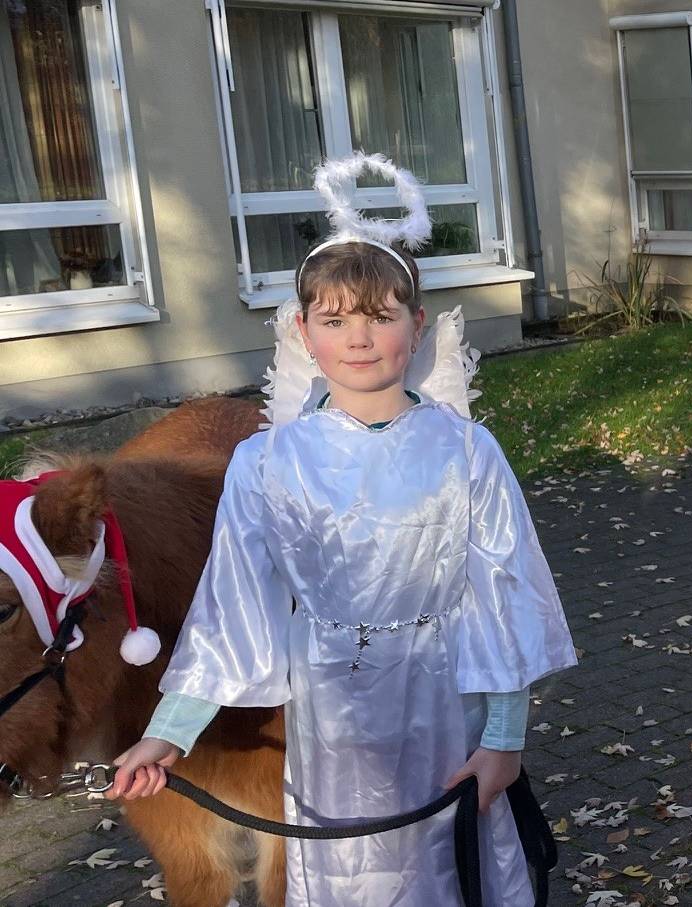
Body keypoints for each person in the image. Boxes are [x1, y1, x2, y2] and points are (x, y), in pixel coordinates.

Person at [106, 154, 575, 907]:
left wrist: (505, 741)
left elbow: (503, 593)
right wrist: (168, 733)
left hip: (442, 704)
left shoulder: (465, 449)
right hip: (331, 718)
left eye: (379, 316)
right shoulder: (266, 463)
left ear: (414, 326)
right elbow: (234, 608)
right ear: (304, 333)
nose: (358, 338)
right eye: (334, 320)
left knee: (448, 871)